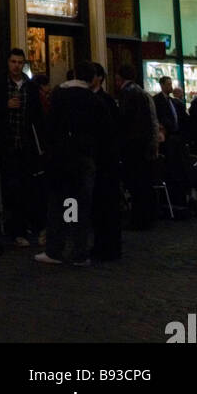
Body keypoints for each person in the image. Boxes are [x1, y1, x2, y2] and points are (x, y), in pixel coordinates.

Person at [35, 62, 107, 267]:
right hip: (83, 159)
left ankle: (56, 248)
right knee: (77, 205)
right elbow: (104, 132)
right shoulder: (93, 100)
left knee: (60, 203)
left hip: (61, 159)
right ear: (93, 78)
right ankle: (77, 250)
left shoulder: (60, 95)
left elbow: (49, 127)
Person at [0, 47, 43, 247]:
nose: (16, 66)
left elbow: (36, 117)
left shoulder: (30, 87)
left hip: (25, 145)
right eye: (13, 62)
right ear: (8, 63)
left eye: (20, 63)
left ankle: (22, 226)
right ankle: (12, 227)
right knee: (10, 186)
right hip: (6, 144)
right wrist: (5, 106)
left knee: (25, 187)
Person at [114, 63, 158, 230]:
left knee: (136, 183)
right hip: (142, 144)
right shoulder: (141, 92)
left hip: (132, 145)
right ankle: (146, 217)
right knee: (143, 183)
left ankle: (139, 219)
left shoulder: (127, 93)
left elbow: (124, 119)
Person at [89, 62, 122, 261]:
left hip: (104, 162)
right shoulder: (98, 100)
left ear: (99, 78)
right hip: (100, 160)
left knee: (105, 205)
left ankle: (107, 246)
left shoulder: (104, 101)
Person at [154, 76, 193, 213]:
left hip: (176, 139)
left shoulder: (174, 102)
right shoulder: (158, 101)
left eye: (171, 84)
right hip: (169, 140)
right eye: (168, 84)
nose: (171, 86)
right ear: (162, 85)